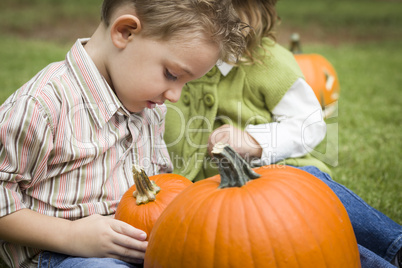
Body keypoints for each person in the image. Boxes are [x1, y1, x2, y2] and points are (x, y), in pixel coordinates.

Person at [0, 0, 246, 267]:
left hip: (135, 244)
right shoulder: (42, 105)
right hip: (63, 254)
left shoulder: (149, 107)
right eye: (171, 74)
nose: (175, 96)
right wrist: (70, 235)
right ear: (125, 32)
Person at [164, 0, 402, 267]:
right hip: (218, 200)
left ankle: (395, 246)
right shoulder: (174, 66)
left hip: (280, 175)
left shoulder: (268, 62)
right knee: (313, 244)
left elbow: (309, 124)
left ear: (253, 12)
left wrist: (255, 141)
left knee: (316, 200)